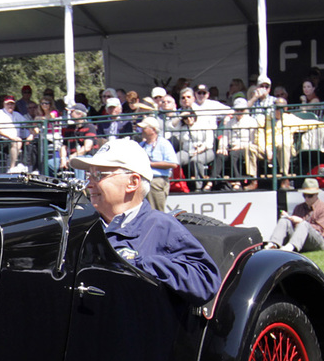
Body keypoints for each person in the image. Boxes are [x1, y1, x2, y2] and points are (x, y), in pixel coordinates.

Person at [69, 138, 218, 305]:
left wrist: (134, 265)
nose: (89, 183)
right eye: (89, 175)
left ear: (132, 183)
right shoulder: (79, 227)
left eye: (98, 175)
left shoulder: (161, 226)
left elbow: (205, 282)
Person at [265, 178, 324, 252]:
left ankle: (290, 247)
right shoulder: (299, 207)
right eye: (304, 195)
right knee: (284, 220)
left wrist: (300, 221)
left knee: (303, 224)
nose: (306, 198)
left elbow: (319, 229)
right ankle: (273, 244)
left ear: (316, 194)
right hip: (300, 240)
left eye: (310, 196)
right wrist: (289, 218)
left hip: (318, 242)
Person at [138, 116, 177, 210]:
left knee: (156, 211)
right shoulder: (141, 145)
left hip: (156, 181)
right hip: (142, 181)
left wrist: (150, 164)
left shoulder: (164, 144)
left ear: (153, 130)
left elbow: (173, 164)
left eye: (144, 128)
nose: (141, 130)